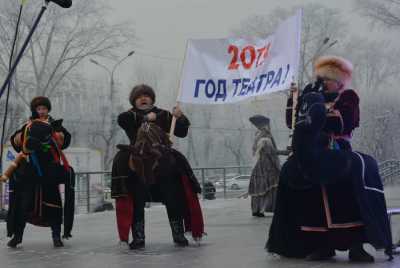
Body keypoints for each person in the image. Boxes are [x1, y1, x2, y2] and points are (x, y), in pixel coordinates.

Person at [267, 56, 392, 262]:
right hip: (311, 152)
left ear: (339, 81)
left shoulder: (348, 97)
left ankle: (355, 245)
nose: (324, 82)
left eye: (328, 78)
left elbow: (342, 124)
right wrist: (296, 99)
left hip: (337, 150)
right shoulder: (312, 97)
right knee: (304, 187)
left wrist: (317, 111)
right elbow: (294, 123)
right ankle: (320, 244)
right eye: (322, 78)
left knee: (344, 189)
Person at [111, 84, 204, 249]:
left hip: (163, 162)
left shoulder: (164, 114)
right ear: (134, 100)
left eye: (147, 95)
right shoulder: (130, 115)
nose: (144, 98)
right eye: (139, 96)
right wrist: (146, 119)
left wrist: (180, 117)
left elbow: (181, 132)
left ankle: (178, 234)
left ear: (152, 98)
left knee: (173, 198)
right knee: (137, 201)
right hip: (138, 161)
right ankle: (138, 237)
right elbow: (121, 121)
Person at [6, 96, 74, 248]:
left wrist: (53, 136)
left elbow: (65, 140)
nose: (42, 111)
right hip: (30, 170)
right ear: (35, 110)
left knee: (53, 202)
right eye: (39, 109)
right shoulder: (28, 125)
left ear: (48, 110)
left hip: (50, 170)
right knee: (23, 203)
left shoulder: (55, 125)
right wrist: (25, 139)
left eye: (44, 108)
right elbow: (17, 142)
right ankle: (17, 236)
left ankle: (56, 236)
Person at [248, 115, 288, 217]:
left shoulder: (257, 136)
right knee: (269, 186)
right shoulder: (266, 137)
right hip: (267, 166)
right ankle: (263, 209)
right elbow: (272, 153)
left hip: (259, 165)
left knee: (259, 188)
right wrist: (286, 152)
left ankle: (257, 210)